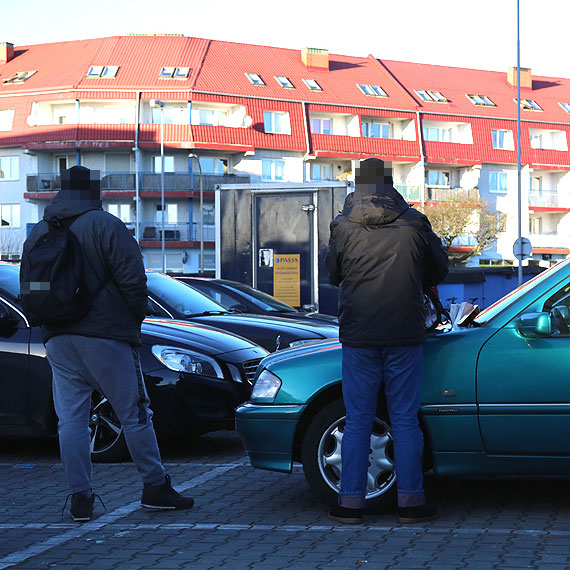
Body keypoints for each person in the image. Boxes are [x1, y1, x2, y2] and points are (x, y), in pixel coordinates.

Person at [21, 165, 194, 522]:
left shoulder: (39, 231)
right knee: (134, 412)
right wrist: (132, 321)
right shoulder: (106, 225)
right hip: (106, 336)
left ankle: (80, 498)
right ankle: (155, 487)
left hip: (58, 337)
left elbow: (30, 287)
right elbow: (134, 281)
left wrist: (50, 322)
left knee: (71, 420)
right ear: (94, 192)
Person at [325, 158, 448, 524]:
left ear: (359, 185)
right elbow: (440, 267)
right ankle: (411, 503)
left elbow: (334, 274)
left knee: (358, 420)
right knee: (406, 419)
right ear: (391, 184)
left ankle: (350, 504)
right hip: (404, 335)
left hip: (359, 336)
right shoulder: (413, 221)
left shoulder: (343, 226)